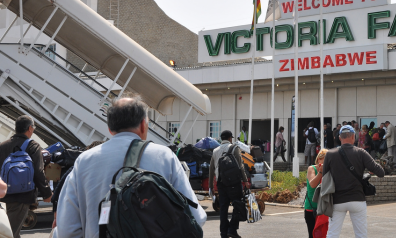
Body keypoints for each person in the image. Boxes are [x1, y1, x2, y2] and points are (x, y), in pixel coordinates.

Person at [56, 96, 206, 237]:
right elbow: (196, 217)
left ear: (110, 128)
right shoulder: (164, 156)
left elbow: (67, 229)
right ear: (143, 124)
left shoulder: (84, 161)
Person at [322, 125, 384, 238]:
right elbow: (381, 172)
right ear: (353, 137)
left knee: (332, 234)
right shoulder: (361, 153)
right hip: (357, 199)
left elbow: (324, 177)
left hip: (337, 200)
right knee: (361, 235)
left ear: (340, 138)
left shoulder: (330, 154)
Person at [0, 115, 52, 238]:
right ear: (30, 128)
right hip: (22, 196)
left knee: (9, 231)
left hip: (4, 195)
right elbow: (38, 172)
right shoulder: (33, 146)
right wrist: (47, 193)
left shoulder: (3, 146)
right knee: (10, 234)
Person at [209, 129, 250, 238]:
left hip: (221, 183)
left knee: (223, 209)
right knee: (238, 205)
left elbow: (211, 170)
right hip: (234, 183)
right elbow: (241, 166)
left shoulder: (215, 151)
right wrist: (245, 181)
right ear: (230, 138)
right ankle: (232, 229)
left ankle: (223, 234)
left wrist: (210, 186)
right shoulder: (234, 148)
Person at [304, 149, 328, 238]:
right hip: (312, 208)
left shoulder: (329, 170)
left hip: (324, 209)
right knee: (313, 234)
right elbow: (313, 184)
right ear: (319, 159)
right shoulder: (312, 168)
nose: (326, 163)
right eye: (325, 160)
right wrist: (320, 172)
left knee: (324, 234)